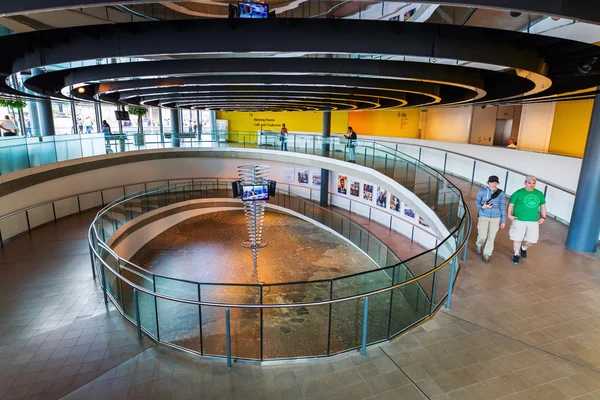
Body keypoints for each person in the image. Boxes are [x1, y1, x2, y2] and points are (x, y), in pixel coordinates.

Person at [508, 175, 547, 265]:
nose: (531, 185)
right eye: (529, 183)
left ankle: (524, 248)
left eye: (533, 183)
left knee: (532, 240)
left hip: (533, 221)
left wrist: (543, 216)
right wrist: (509, 215)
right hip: (519, 219)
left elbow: (543, 206)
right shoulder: (518, 193)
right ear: (525, 183)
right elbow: (511, 205)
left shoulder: (539, 194)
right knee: (517, 238)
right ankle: (516, 254)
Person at [475, 175, 506, 263]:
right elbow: (477, 202)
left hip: (496, 217)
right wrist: (483, 206)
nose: (493, 184)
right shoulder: (482, 191)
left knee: (491, 236)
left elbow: (502, 206)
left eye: (495, 183)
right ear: (488, 182)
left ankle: (487, 253)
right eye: (492, 182)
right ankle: (479, 244)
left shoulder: (501, 193)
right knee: (482, 235)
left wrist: (503, 220)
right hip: (484, 216)